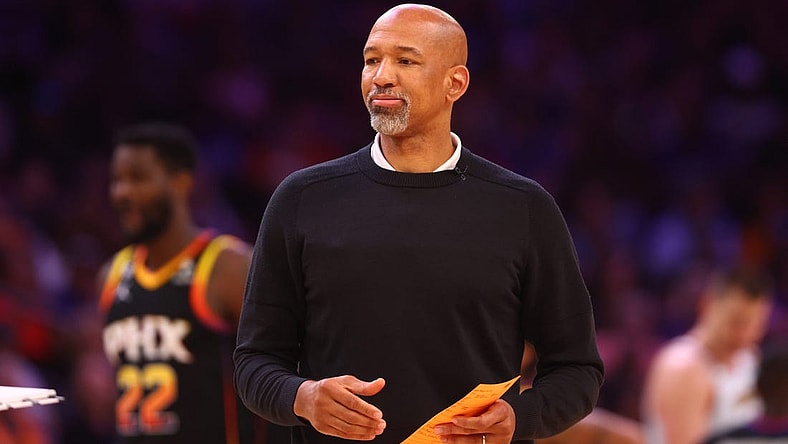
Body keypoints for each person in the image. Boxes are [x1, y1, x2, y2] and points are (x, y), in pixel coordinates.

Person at [233, 4, 604, 444]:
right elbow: (254, 361)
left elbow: (578, 368)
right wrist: (304, 397)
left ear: (455, 83)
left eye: (405, 61)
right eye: (372, 60)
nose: (382, 76)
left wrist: (521, 417)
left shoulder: (522, 207)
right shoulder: (301, 198)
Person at [97, 122, 263, 443]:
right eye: (116, 180)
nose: (123, 192)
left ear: (181, 183)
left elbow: (282, 374)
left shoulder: (228, 266)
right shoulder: (111, 275)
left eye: (138, 178)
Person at [641, 267, 775, 444]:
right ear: (706, 305)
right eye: (736, 321)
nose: (745, 333)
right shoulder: (684, 368)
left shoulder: (750, 358)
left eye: (755, 324)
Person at [704, 340, 788, 443]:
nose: (779, 393)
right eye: (775, 385)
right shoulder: (727, 438)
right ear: (758, 386)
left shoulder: (727, 437)